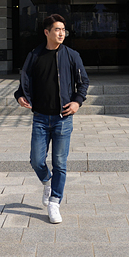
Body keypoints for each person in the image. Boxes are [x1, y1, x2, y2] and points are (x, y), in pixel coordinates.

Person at [14, 14, 89, 224]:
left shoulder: (72, 55)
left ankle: (55, 202)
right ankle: (47, 182)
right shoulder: (34, 55)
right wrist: (20, 96)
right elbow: (24, 82)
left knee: (59, 163)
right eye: (57, 29)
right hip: (40, 118)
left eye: (63, 30)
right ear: (47, 32)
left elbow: (83, 82)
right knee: (36, 160)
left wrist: (77, 102)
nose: (62, 33)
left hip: (62, 118)